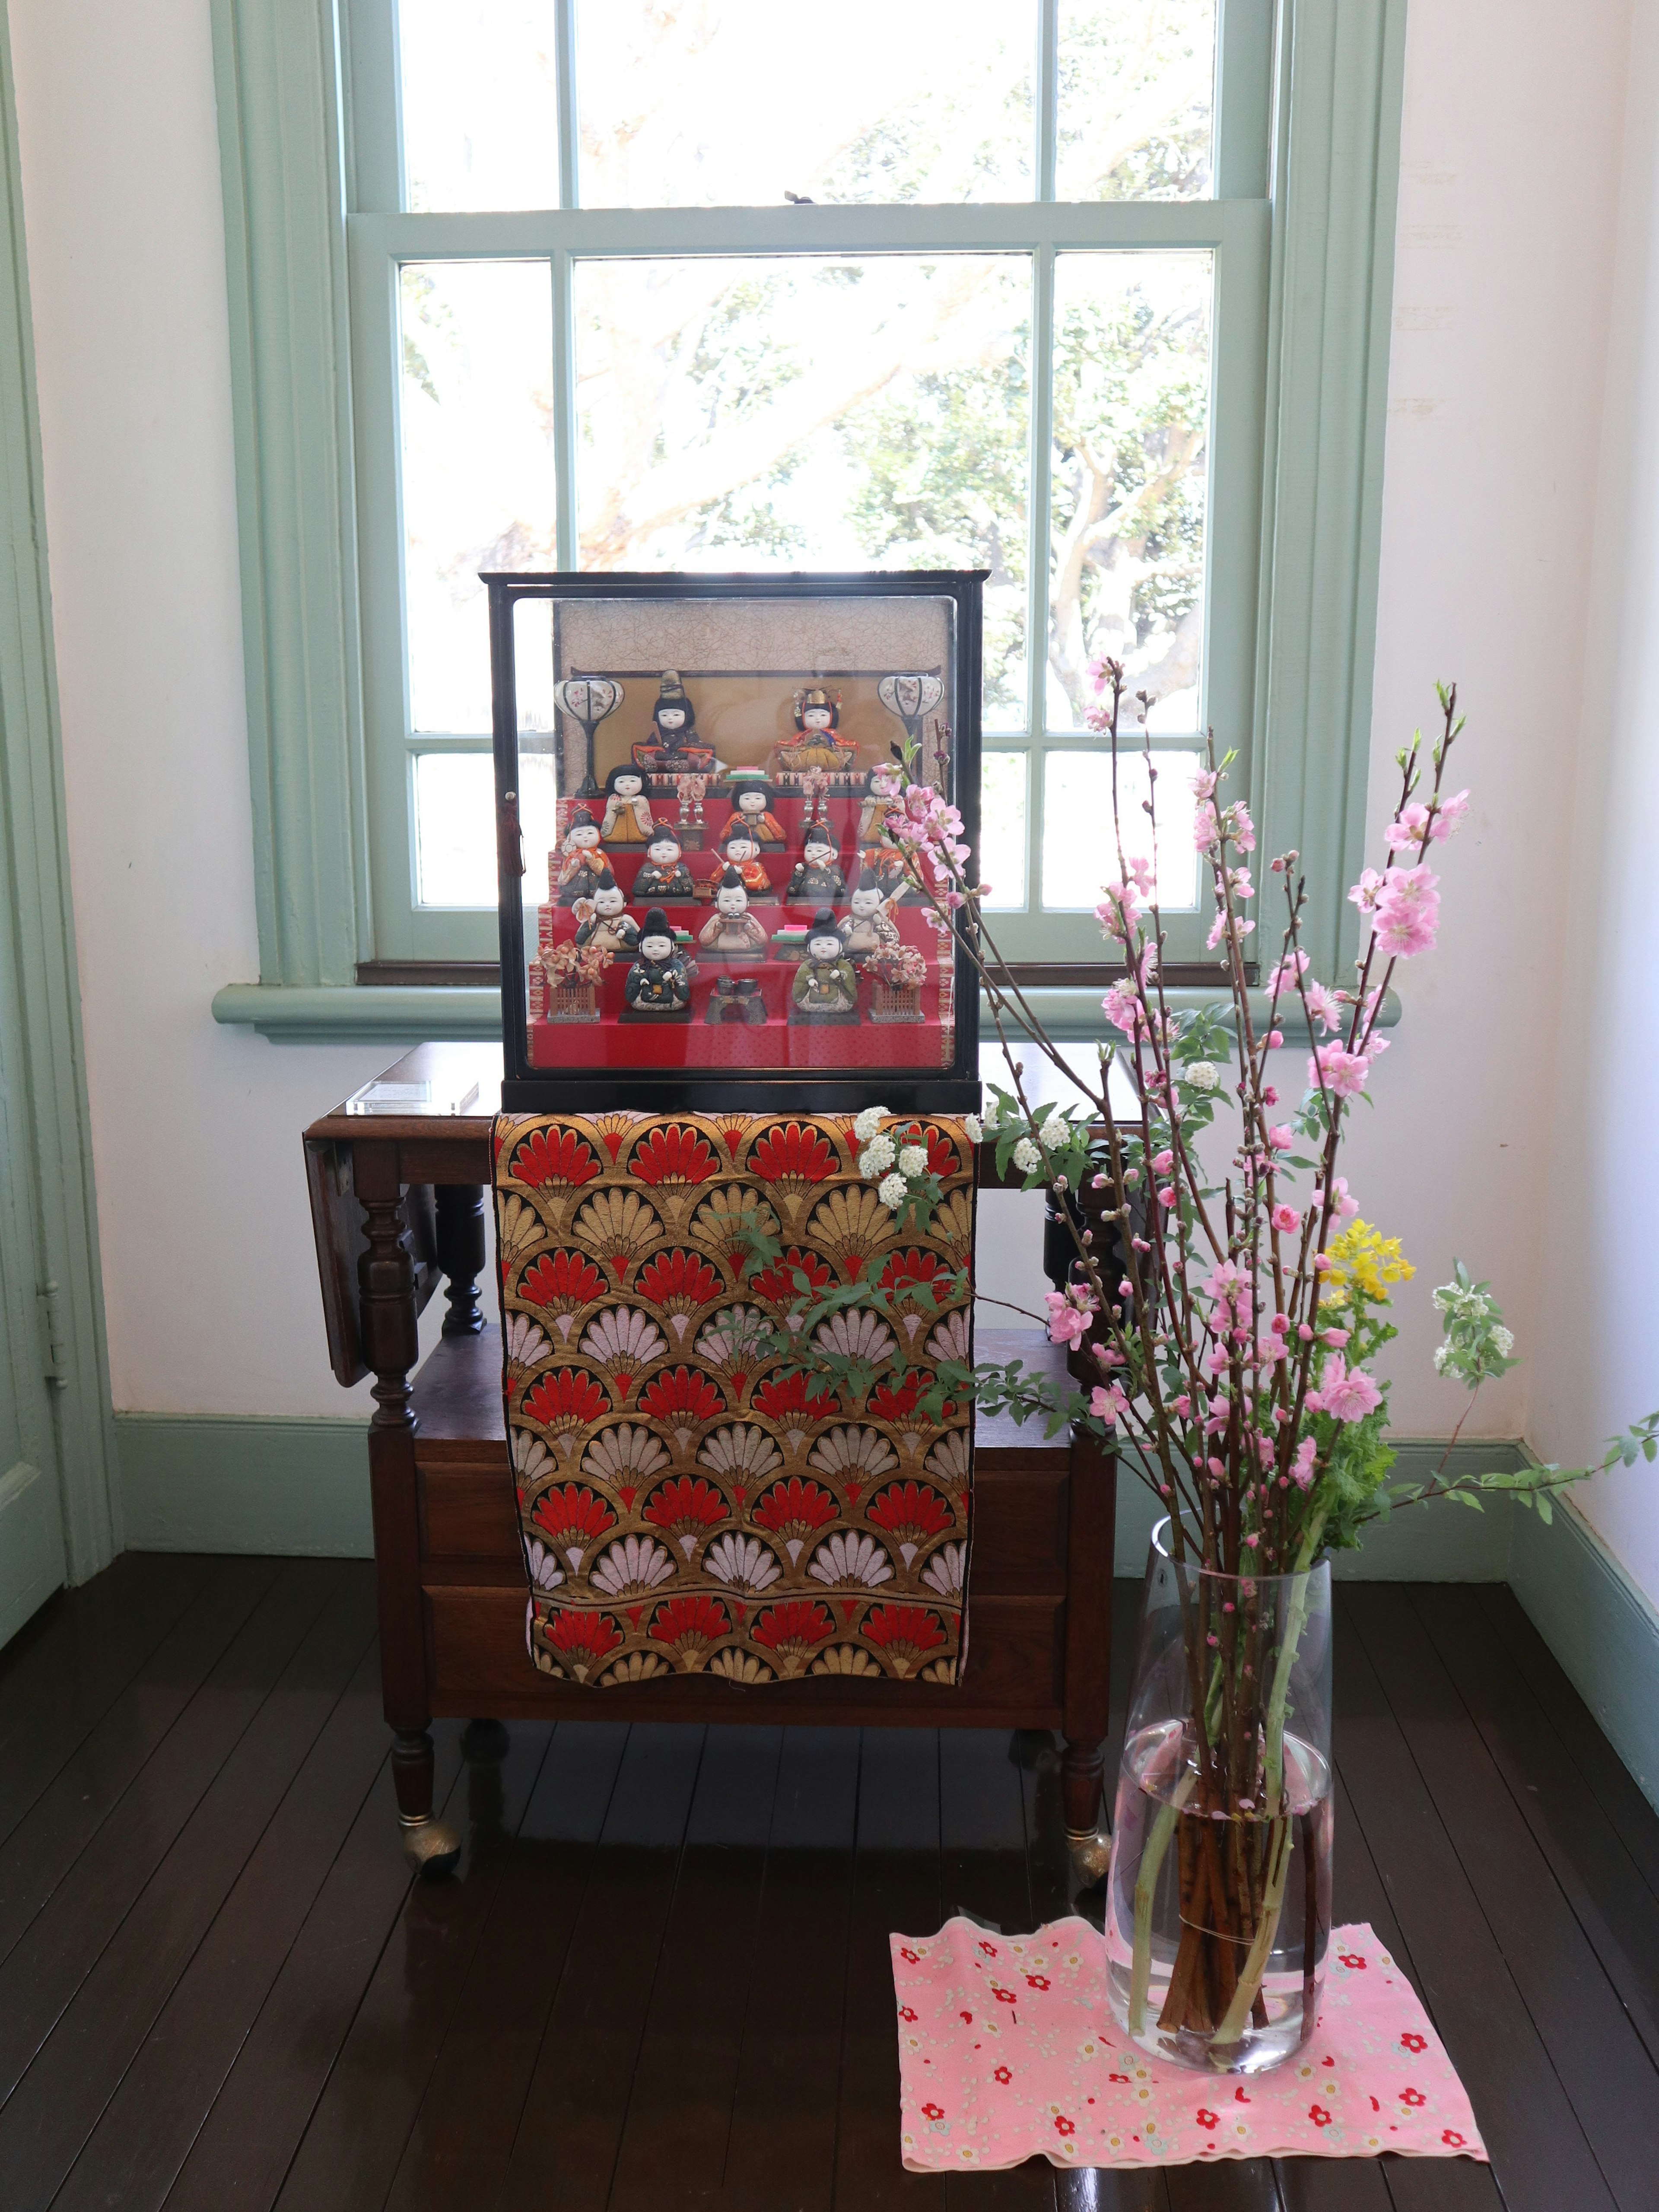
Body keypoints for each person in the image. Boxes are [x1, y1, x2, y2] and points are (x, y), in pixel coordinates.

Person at [630, 671, 720, 776]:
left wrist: (683, 754)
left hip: (685, 770)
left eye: (676, 715)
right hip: (660, 768)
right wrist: (660, 754)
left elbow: (698, 751)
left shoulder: (689, 734)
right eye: (664, 715)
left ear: (687, 716)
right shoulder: (657, 735)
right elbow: (649, 751)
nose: (670, 719)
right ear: (657, 717)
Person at [623, 909, 694, 1018]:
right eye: (650, 946)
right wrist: (640, 979)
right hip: (644, 1001)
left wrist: (672, 979)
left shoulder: (676, 965)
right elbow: (630, 993)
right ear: (641, 947)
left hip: (672, 1002)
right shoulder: (640, 965)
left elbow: (684, 993)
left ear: (672, 946)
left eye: (662, 946)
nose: (655, 950)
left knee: (678, 1001)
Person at [791, 910, 859, 1022]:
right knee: (808, 1001)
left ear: (840, 948)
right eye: (818, 944)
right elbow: (802, 978)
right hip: (812, 998)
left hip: (838, 1000)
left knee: (842, 1003)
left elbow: (848, 974)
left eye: (829, 944)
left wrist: (840, 975)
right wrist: (809, 980)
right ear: (809, 948)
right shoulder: (808, 965)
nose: (824, 948)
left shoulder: (842, 964)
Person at [698, 869, 770, 957]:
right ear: (716, 904)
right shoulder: (718, 918)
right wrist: (718, 928)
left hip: (746, 944)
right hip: (720, 944)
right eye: (727, 900)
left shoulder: (747, 917)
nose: (733, 904)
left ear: (748, 903)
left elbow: (763, 939)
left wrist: (749, 928)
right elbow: (704, 939)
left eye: (738, 900)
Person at [572, 871, 639, 960]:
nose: (607, 905)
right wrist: (590, 923)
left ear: (624, 904)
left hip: (622, 945)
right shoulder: (594, 918)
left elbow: (639, 933)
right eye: (602, 902)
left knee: (626, 927)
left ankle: (623, 933)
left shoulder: (625, 918)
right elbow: (579, 936)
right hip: (595, 948)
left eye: (613, 901)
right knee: (587, 928)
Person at [838, 869, 901, 962]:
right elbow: (838, 936)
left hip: (877, 954)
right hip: (851, 953)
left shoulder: (881, 920)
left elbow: (894, 939)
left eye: (868, 902)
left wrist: (880, 925)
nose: (861, 906)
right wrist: (846, 930)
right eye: (857, 902)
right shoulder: (850, 919)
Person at [713, 775, 785, 849]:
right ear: (738, 800)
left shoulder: (767, 815)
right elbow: (729, 827)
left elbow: (775, 827)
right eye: (747, 798)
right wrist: (740, 820)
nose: (752, 802)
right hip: (743, 834)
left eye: (758, 798)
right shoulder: (737, 815)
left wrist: (764, 820)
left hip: (761, 832)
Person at [554, 807, 608, 905]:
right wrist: (574, 866)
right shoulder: (571, 855)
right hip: (574, 890)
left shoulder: (600, 853)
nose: (585, 837)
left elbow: (606, 872)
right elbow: (563, 879)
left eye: (590, 833)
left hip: (596, 889)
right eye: (579, 834)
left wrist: (592, 859)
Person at [785, 824, 846, 904]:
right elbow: (791, 891)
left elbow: (840, 892)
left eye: (819, 851)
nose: (813, 854)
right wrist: (799, 873)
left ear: (835, 854)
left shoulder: (835, 870)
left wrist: (825, 870)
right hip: (803, 904)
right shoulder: (804, 868)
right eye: (809, 851)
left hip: (828, 904)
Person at [632, 828, 696, 903]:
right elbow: (638, 890)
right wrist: (651, 876)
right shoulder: (647, 869)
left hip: (679, 901)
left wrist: (680, 876)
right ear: (649, 852)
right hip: (651, 901)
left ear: (680, 853)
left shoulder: (682, 868)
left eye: (669, 850)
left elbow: (691, 890)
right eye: (658, 849)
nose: (664, 853)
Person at [600, 766, 655, 843]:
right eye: (621, 782)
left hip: (637, 826)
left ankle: (640, 835)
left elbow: (643, 810)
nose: (627, 785)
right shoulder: (614, 799)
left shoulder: (641, 799)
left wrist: (638, 804)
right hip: (618, 825)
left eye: (633, 781)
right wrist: (616, 805)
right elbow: (611, 812)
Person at [719, 827, 774, 901]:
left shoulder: (756, 866)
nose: (738, 850)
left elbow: (756, 885)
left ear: (757, 849)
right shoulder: (727, 865)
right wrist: (723, 870)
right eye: (733, 847)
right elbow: (713, 881)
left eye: (743, 847)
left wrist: (741, 872)